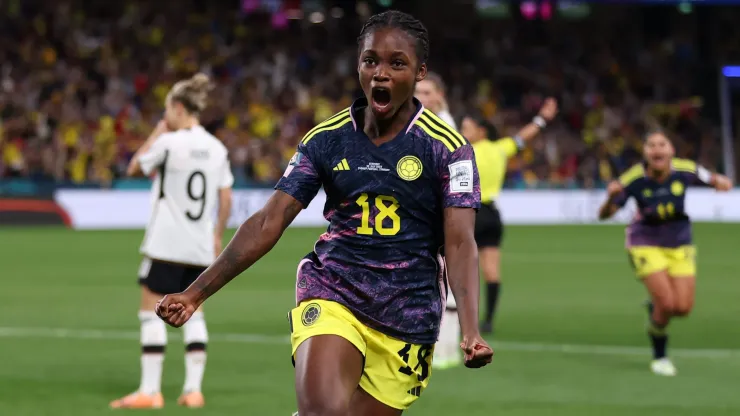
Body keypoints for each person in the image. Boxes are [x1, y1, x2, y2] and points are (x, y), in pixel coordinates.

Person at [155, 10, 493, 416]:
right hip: (334, 294)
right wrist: (196, 293)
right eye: (371, 61)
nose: (380, 74)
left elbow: (459, 241)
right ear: (358, 65)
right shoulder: (326, 140)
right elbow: (269, 220)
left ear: (421, 71)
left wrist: (470, 330)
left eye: (396, 63)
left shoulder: (447, 148)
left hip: (408, 318)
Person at [110, 73, 234, 409]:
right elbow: (226, 200)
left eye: (167, 111)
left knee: (150, 313)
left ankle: (149, 392)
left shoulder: (169, 142)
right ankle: (193, 391)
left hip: (166, 243)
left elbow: (134, 168)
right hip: (199, 245)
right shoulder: (217, 148)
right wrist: (217, 234)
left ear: (178, 108)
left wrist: (157, 131)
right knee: (196, 313)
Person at [598, 131, 731, 376]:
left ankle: (654, 308)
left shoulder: (685, 169)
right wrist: (609, 199)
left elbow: (710, 178)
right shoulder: (633, 179)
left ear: (671, 151)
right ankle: (660, 357)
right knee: (667, 304)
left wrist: (720, 181)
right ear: (645, 152)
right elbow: (603, 215)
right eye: (651, 145)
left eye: (662, 145)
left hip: (680, 243)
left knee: (682, 308)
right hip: (645, 242)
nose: (657, 150)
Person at [460, 98, 558, 334]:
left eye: (466, 128)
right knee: (491, 270)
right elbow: (524, 136)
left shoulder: (461, 149)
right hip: (492, 214)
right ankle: (489, 320)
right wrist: (542, 119)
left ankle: (457, 318)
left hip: (467, 213)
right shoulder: (500, 149)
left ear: (481, 131)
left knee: (457, 268)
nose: (462, 132)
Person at [414, 72, 462, 370]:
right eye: (417, 90)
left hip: (442, 214)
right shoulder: (406, 123)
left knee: (448, 277)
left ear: (438, 97)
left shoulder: (446, 127)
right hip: (415, 214)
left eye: (427, 91)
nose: (420, 95)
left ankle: (447, 350)